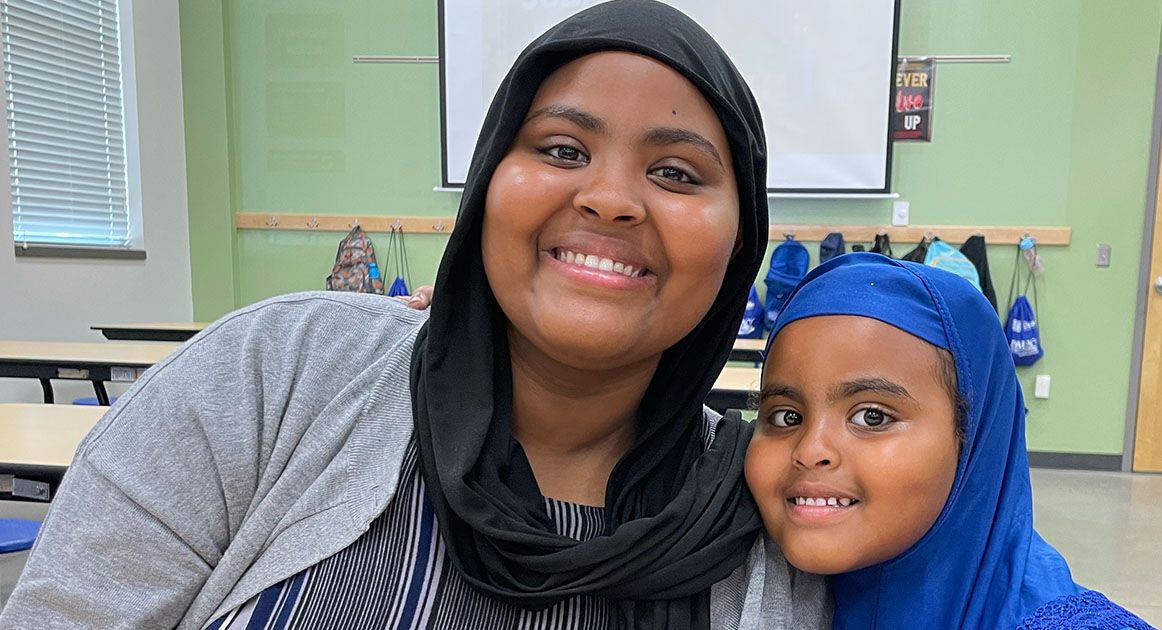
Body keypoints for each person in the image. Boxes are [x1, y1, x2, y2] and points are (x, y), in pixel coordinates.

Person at [0, 2, 827, 628]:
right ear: (487, 184)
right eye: (561, 150)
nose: (610, 199)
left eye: (677, 173)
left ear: (741, 238)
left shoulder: (772, 512)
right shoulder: (274, 373)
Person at [744, 252, 1152, 629]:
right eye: (786, 416)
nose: (811, 450)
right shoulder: (745, 591)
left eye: (872, 416)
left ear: (971, 439)